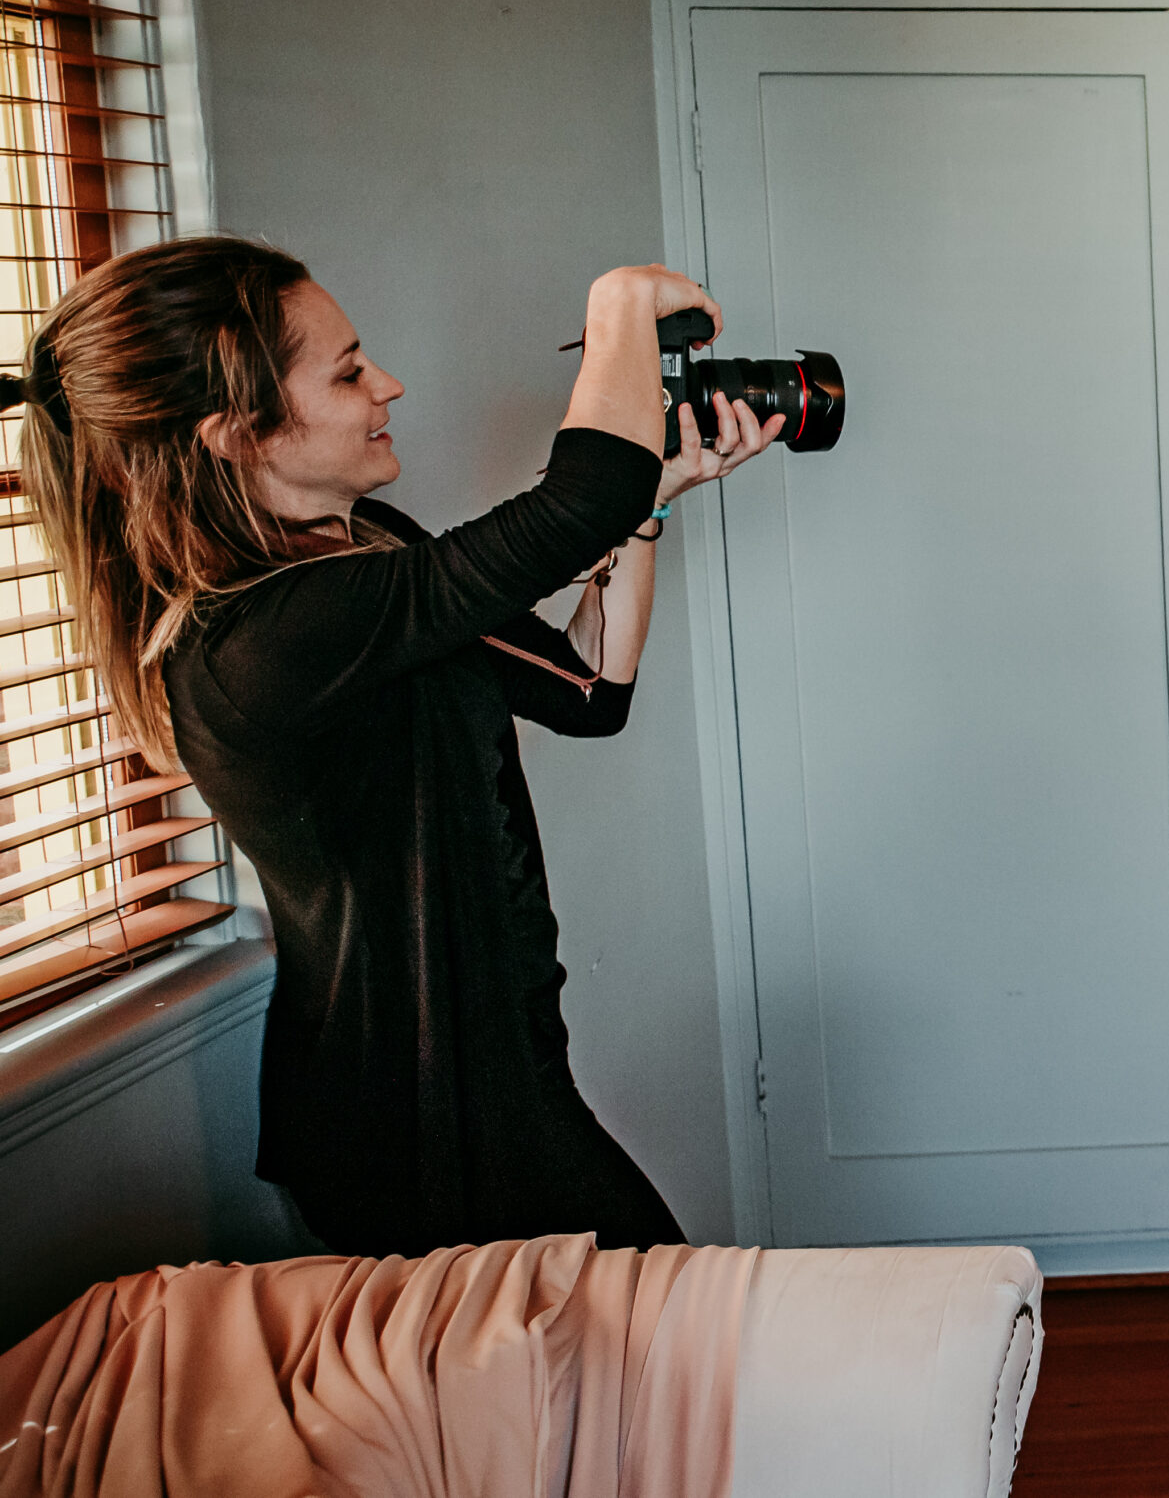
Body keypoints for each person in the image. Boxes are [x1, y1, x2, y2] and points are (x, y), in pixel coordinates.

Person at [4, 238, 782, 1256]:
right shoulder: (262, 636)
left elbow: (587, 689)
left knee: (657, 1336)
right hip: (415, 1130)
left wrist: (648, 503)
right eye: (347, 373)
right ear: (235, 433)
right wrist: (621, 307)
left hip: (504, 1079)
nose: (389, 385)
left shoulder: (367, 545)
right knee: (673, 1327)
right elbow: (575, 505)